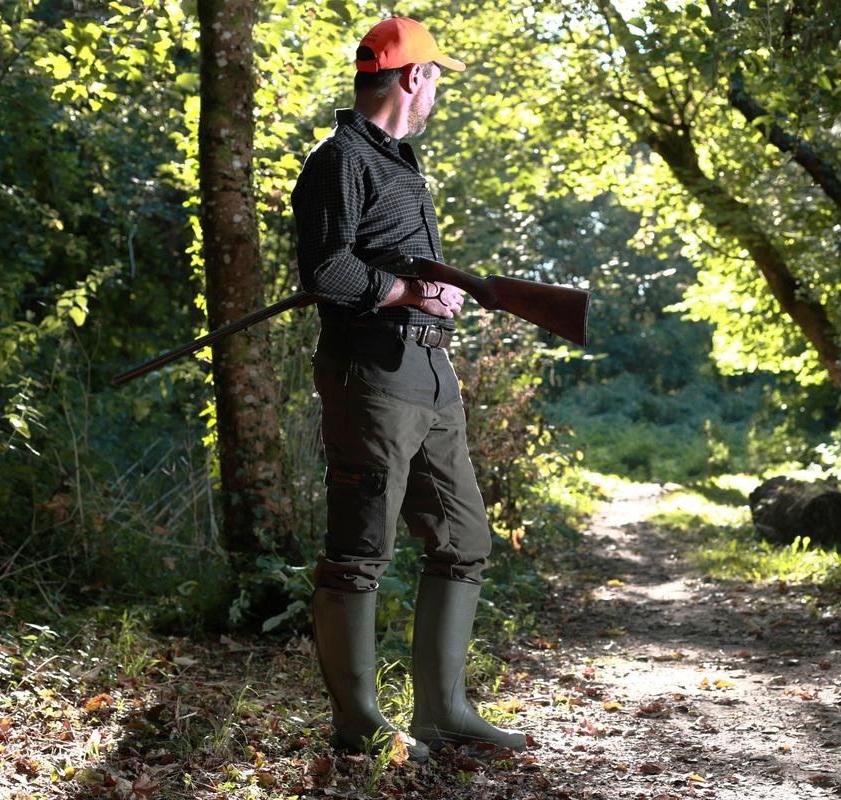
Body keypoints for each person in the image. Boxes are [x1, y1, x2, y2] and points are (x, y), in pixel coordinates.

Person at [290, 16, 527, 763]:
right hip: (373, 372)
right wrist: (404, 292)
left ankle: (445, 713)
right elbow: (327, 272)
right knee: (360, 551)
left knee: (463, 542)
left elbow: (406, 278)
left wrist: (438, 295)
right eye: (435, 80)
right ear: (414, 77)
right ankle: (357, 722)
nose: (436, 95)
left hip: (431, 375)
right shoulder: (339, 161)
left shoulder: (400, 164)